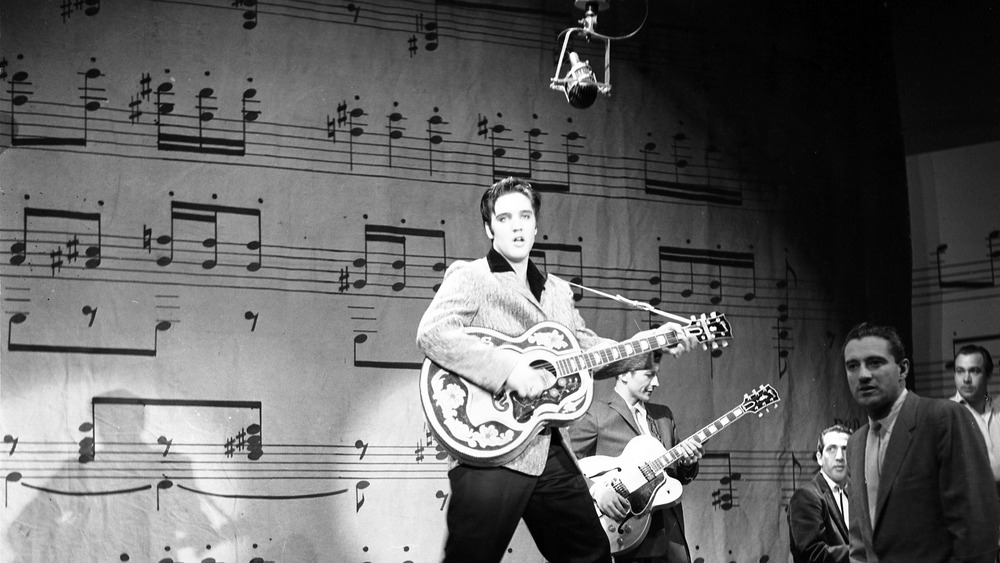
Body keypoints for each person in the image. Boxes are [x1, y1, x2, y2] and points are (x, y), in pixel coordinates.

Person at [415, 177, 692, 563]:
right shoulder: (472, 276)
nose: (516, 225)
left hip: (547, 447)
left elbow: (588, 351)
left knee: (591, 555)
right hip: (491, 446)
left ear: (535, 224)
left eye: (525, 216)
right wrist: (510, 369)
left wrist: (654, 342)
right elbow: (434, 332)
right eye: (505, 217)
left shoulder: (558, 292)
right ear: (489, 228)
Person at [842, 322, 1000, 562]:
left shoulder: (942, 418)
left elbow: (977, 533)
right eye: (853, 366)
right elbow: (860, 547)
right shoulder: (855, 444)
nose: (863, 375)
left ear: (903, 369)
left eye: (875, 363)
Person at [567, 351, 702, 563]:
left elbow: (679, 476)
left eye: (657, 374)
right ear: (623, 375)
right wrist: (597, 491)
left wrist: (688, 463)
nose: (656, 382)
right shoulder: (595, 413)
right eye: (649, 375)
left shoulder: (663, 416)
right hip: (624, 531)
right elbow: (566, 464)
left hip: (669, 535)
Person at [787, 425, 851, 563]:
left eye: (845, 449)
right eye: (831, 449)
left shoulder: (856, 494)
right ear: (819, 458)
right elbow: (813, 554)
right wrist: (867, 552)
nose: (839, 457)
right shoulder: (805, 496)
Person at [950, 344, 1000, 497]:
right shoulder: (944, 414)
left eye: (974, 371)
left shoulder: (998, 407)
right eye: (960, 371)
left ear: (989, 374)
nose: (966, 379)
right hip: (971, 507)